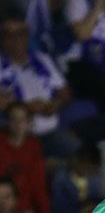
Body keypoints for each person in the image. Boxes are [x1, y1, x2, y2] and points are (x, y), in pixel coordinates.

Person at [0, 15, 80, 159]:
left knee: (79, 152)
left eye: (20, 33)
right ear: (3, 39)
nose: (16, 39)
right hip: (16, 137)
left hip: (50, 132)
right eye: (9, 35)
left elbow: (66, 93)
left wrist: (55, 105)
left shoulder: (43, 59)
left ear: (27, 36)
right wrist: (28, 107)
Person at [0, 102, 50, 213]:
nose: (18, 124)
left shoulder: (33, 146)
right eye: (13, 119)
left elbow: (38, 184)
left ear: (29, 123)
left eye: (22, 120)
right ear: (7, 122)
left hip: (26, 210)